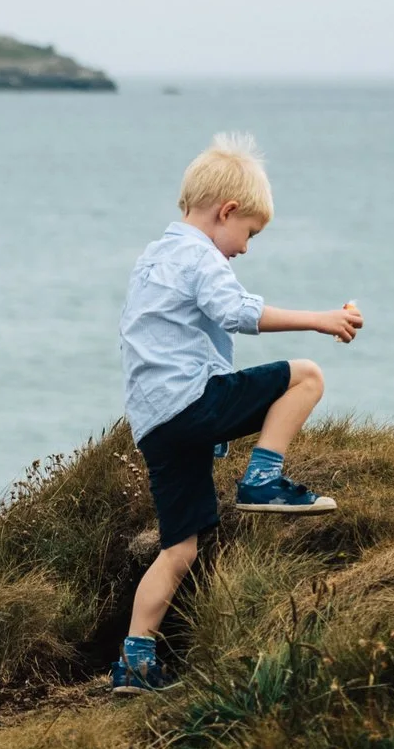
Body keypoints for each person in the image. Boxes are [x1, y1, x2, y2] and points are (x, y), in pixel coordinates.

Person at [112, 134, 362, 695]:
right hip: (189, 405)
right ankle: (263, 479)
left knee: (180, 548)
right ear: (226, 212)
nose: (245, 248)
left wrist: (212, 429)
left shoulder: (152, 257)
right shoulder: (200, 255)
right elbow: (236, 313)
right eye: (248, 233)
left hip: (156, 425)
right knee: (306, 376)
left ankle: (135, 660)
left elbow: (163, 341)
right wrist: (320, 319)